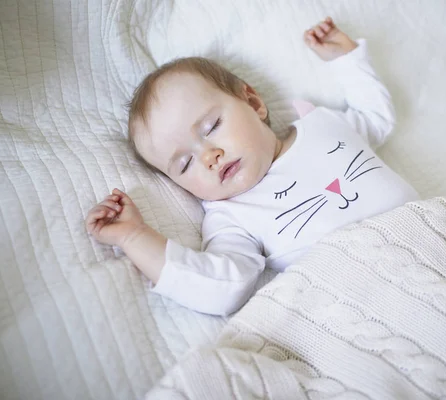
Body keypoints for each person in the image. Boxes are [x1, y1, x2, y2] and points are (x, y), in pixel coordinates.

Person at [85, 17, 419, 315]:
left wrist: (345, 59)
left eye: (211, 127)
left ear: (254, 103)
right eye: (185, 164)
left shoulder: (322, 123)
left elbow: (377, 118)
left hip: (427, 231)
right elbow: (221, 287)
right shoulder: (232, 215)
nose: (209, 156)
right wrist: (135, 237)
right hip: (365, 295)